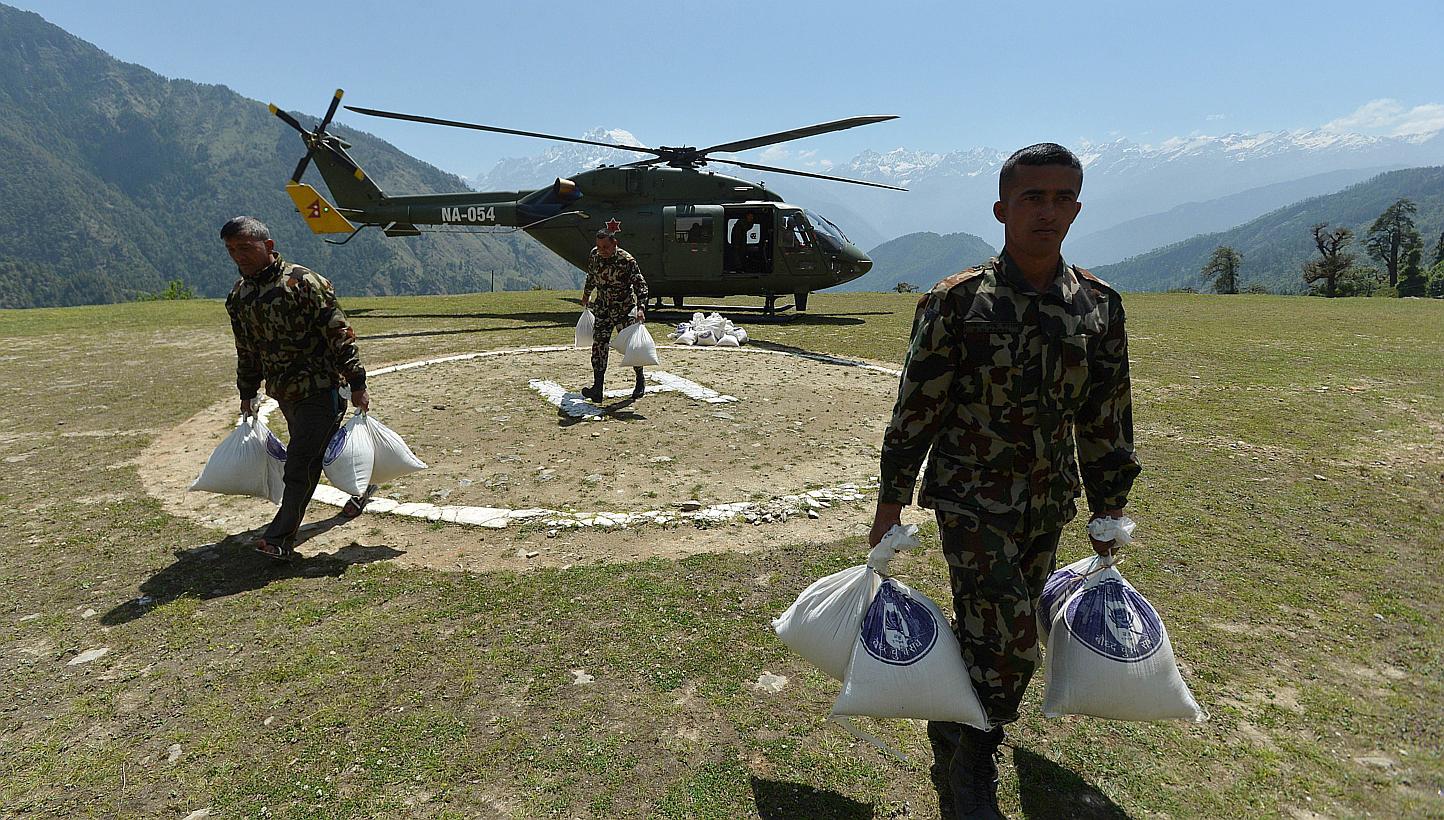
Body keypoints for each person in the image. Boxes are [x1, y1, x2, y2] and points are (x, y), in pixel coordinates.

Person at [866, 143, 1141, 819]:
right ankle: (971, 764)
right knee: (1013, 639)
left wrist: (1109, 512)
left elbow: (1107, 416)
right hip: (970, 497)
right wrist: (890, 502)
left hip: (1048, 500)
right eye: (1032, 197)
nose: (1048, 211)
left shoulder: (1098, 307)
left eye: (1062, 198)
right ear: (1002, 208)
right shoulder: (959, 302)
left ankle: (951, 718)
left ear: (1077, 206)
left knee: (989, 631)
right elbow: (917, 407)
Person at [222, 216, 372, 561]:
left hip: (321, 389)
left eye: (245, 248)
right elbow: (246, 349)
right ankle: (362, 489)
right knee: (320, 452)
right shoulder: (240, 295)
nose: (238, 256)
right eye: (232, 250)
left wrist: (357, 381)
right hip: (283, 392)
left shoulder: (304, 282)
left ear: (269, 246)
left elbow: (339, 333)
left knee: (301, 462)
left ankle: (279, 538)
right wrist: (248, 391)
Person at [580, 228, 649, 401]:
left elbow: (641, 286)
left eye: (605, 247)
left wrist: (641, 308)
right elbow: (591, 276)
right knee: (599, 346)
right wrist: (586, 294)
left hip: (624, 310)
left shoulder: (626, 260)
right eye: (599, 247)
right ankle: (597, 388)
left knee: (631, 347)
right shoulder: (595, 256)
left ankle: (639, 379)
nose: (602, 251)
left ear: (614, 244)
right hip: (602, 308)